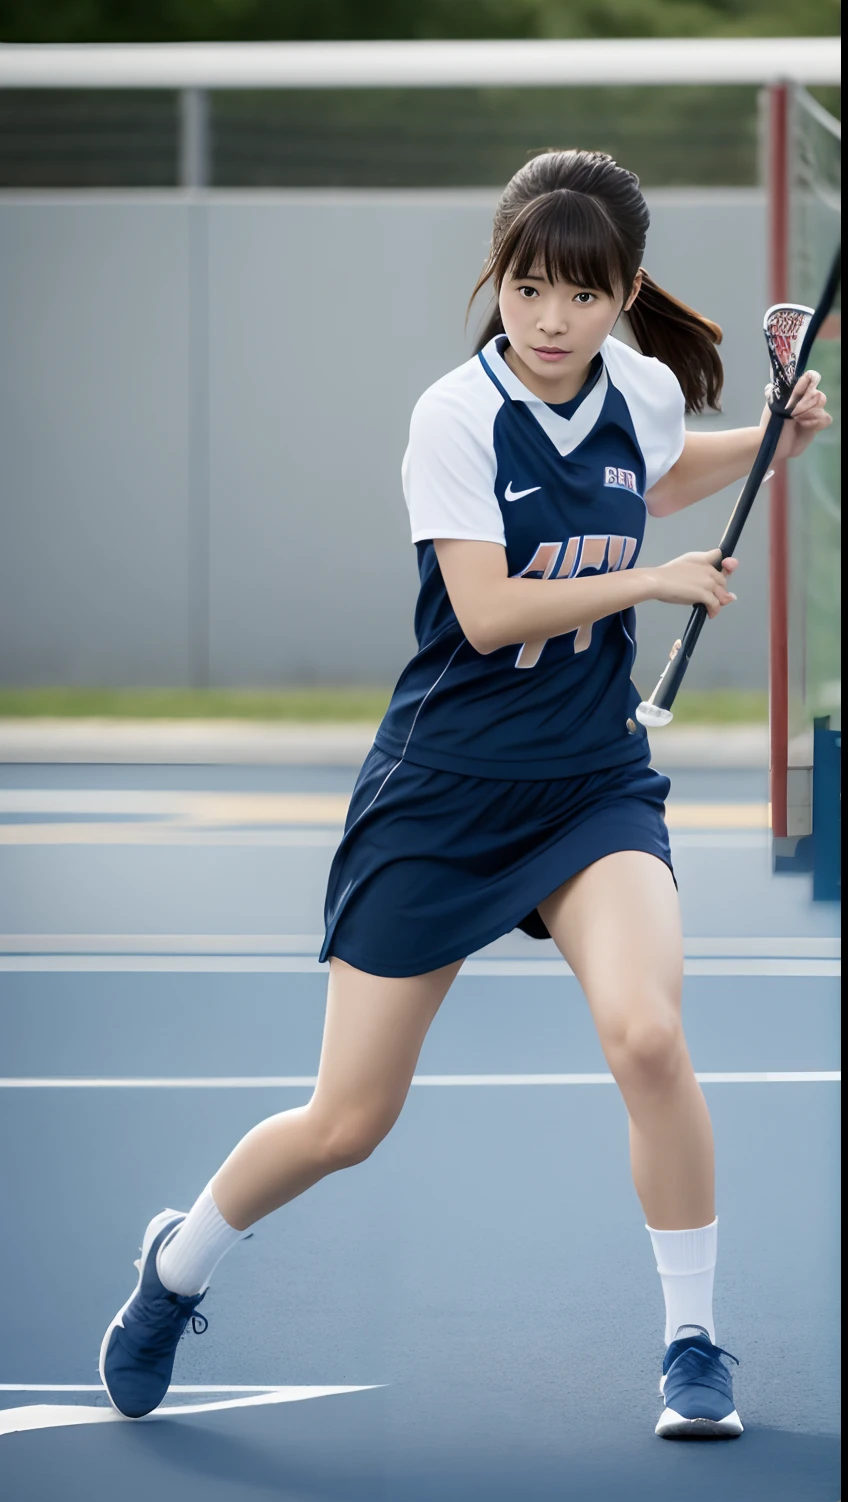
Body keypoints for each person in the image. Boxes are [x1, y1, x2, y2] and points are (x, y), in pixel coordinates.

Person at [99, 149, 831, 1436]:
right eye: (529, 288)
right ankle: (175, 1268)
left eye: (581, 298)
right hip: (441, 794)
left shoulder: (640, 389)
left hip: (590, 784)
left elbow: (647, 483)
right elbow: (487, 613)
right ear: (497, 276)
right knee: (345, 1123)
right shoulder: (455, 416)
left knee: (648, 1038)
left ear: (623, 296)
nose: (550, 321)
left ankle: (693, 1346)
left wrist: (765, 442)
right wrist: (648, 584)